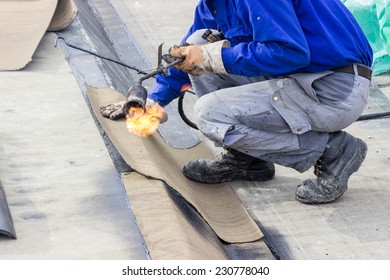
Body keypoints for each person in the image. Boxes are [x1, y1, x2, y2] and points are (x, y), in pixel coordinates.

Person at [101, 0, 373, 204]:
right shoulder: (213, 5)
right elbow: (186, 59)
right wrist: (155, 103)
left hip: (335, 88)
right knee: (199, 41)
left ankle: (333, 151)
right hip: (297, 77)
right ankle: (248, 160)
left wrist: (212, 57)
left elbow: (291, 53)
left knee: (209, 113)